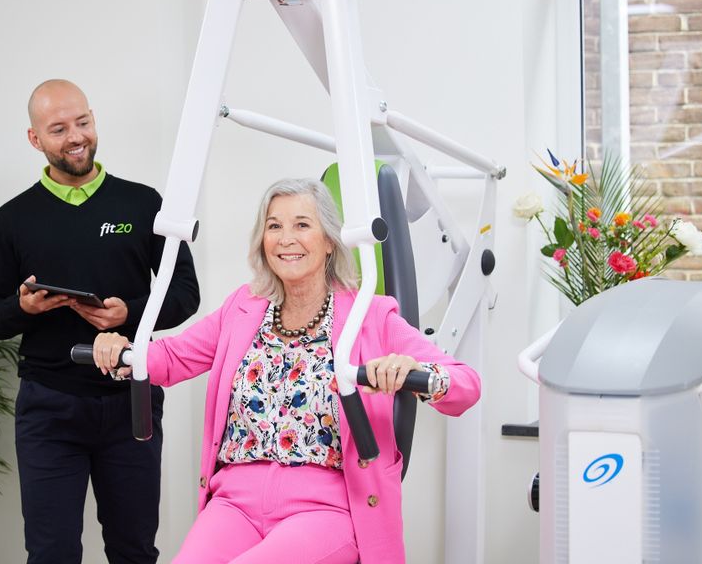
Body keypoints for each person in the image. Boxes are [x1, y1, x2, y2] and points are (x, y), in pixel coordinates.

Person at [93, 178, 480, 564]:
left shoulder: (371, 316)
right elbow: (173, 357)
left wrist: (414, 369)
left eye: (302, 224)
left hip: (324, 507)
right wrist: (124, 350)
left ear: (329, 240)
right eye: (274, 226)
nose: (286, 238)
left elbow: (466, 383)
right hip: (235, 501)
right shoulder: (244, 307)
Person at [0, 79, 200, 564]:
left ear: (93, 119)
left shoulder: (143, 203)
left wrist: (129, 312)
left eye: (82, 122)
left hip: (130, 401)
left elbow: (186, 293)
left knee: (133, 550)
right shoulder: (13, 218)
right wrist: (23, 308)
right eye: (58, 129)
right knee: (51, 554)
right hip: (49, 408)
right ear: (35, 138)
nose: (76, 137)